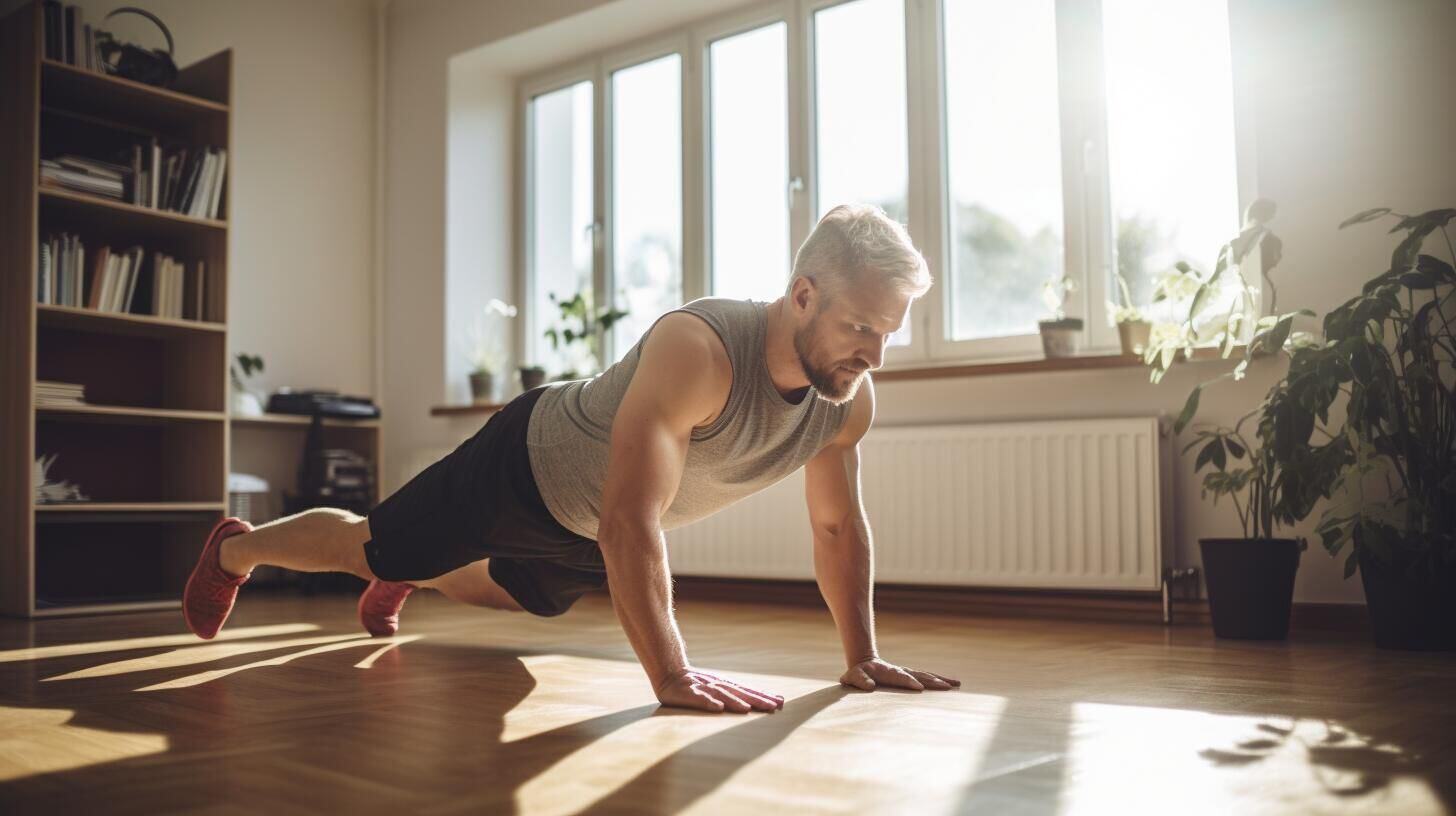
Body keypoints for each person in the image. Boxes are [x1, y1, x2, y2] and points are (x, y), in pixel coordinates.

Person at [184, 204, 960, 714]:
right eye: (862, 326)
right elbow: (631, 518)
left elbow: (837, 529)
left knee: (501, 595)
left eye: (889, 331)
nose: (877, 356)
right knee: (371, 545)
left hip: (586, 532)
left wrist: (862, 657)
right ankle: (238, 549)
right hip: (527, 464)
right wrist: (671, 674)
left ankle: (409, 573)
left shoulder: (845, 399)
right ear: (802, 295)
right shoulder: (702, 351)